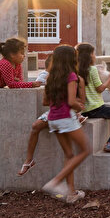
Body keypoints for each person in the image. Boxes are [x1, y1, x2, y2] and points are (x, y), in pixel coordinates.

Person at [41, 44, 90, 204]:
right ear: (71, 59)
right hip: (66, 118)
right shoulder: (71, 76)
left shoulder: (50, 76)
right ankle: (55, 182)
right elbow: (70, 101)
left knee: (69, 155)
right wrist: (79, 106)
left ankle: (71, 193)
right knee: (85, 150)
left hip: (53, 119)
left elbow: (45, 101)